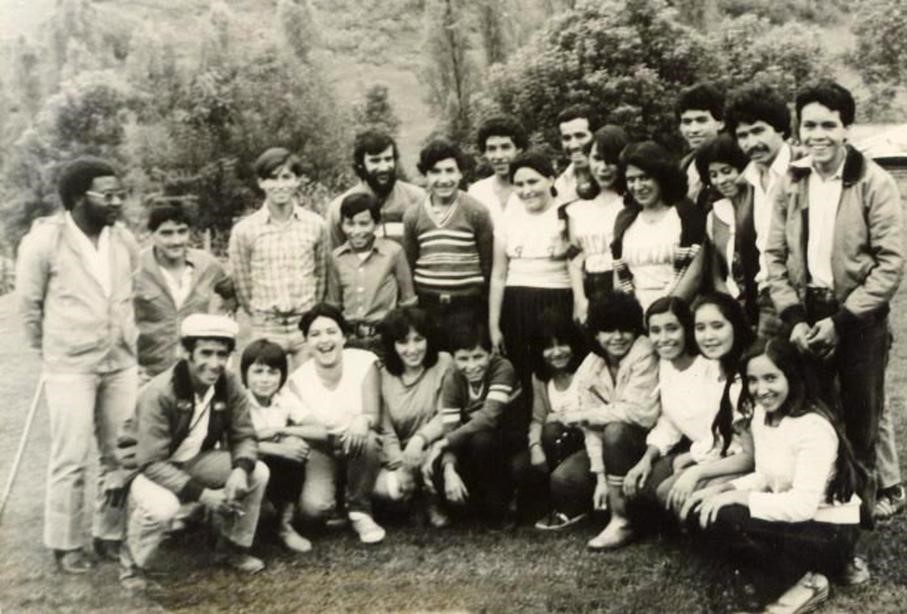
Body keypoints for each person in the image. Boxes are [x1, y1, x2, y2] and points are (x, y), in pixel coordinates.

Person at [764, 80, 904, 518]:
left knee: (862, 417)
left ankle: (858, 516)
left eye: (829, 124)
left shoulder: (873, 181)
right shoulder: (792, 181)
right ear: (798, 130)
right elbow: (773, 255)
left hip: (857, 318)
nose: (818, 135)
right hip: (805, 314)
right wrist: (793, 316)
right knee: (812, 411)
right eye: (809, 125)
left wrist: (840, 321)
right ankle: (822, 502)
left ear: (847, 128)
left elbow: (890, 263)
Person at [16, 156, 139, 573]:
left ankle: (110, 533)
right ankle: (66, 544)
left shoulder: (122, 239)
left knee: (121, 454)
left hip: (120, 360)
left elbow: (132, 291)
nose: (118, 201)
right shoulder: (44, 241)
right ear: (77, 198)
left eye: (121, 194)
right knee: (70, 457)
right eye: (108, 195)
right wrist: (52, 351)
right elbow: (29, 308)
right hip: (69, 365)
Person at [689, 338, 863, 613]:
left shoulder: (812, 427)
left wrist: (737, 497)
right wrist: (720, 490)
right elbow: (766, 476)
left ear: (792, 376)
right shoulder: (762, 414)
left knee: (728, 517)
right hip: (793, 522)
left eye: (771, 378)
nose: (761, 389)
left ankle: (808, 579)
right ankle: (774, 575)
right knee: (706, 508)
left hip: (828, 531)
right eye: (753, 380)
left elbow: (801, 506)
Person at [121, 314, 270, 590]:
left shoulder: (229, 383)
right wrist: (204, 496)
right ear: (186, 352)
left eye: (222, 354)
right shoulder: (160, 392)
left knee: (257, 472)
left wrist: (240, 468)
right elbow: (150, 461)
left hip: (191, 461)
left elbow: (245, 435)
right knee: (164, 508)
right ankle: (132, 566)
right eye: (206, 353)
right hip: (144, 469)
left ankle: (231, 548)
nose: (214, 363)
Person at [553, 291, 660, 549]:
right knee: (564, 479)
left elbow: (640, 413)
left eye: (625, 329)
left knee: (615, 430)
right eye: (608, 330)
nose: (617, 337)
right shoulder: (591, 365)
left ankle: (622, 519)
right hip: (610, 447)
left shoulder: (644, 352)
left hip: (647, 443)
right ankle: (604, 500)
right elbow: (589, 428)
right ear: (596, 334)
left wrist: (585, 416)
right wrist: (599, 475)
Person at [284, 303, 386, 543]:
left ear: (343, 336)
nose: (324, 340)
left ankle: (359, 510)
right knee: (313, 512)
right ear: (307, 342)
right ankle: (336, 500)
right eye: (315, 334)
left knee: (368, 438)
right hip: (322, 448)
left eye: (331, 331)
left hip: (358, 446)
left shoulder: (365, 361)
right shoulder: (298, 380)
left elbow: (374, 414)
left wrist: (362, 420)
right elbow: (312, 431)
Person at [655, 293, 755, 517]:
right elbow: (721, 433)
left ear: (736, 326)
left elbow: (751, 457)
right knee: (664, 492)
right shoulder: (713, 369)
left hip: (757, 467)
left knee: (692, 494)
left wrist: (697, 472)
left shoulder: (744, 377)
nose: (708, 336)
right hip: (728, 456)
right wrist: (693, 457)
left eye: (717, 326)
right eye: (700, 328)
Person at [228, 147, 328, 366]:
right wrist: (260, 313)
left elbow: (321, 274)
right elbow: (243, 285)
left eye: (286, 177)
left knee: (308, 388)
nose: (280, 185)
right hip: (266, 326)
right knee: (267, 388)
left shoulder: (316, 225)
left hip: (305, 324)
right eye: (272, 178)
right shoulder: (245, 230)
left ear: (297, 180)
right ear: (261, 183)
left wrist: (311, 312)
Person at [489, 150, 573, 410]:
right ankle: (531, 436)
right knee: (524, 371)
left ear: (550, 179)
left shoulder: (567, 214)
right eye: (520, 184)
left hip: (557, 300)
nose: (527, 190)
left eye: (533, 182)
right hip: (516, 306)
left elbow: (575, 265)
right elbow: (499, 274)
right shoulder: (507, 220)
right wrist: (494, 324)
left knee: (559, 368)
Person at [419, 320, 522, 527]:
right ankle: (470, 507)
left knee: (482, 441)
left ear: (490, 353)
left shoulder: (503, 367)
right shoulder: (452, 379)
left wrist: (443, 442)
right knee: (440, 465)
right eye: (463, 359)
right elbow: (451, 428)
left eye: (478, 357)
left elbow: (489, 417)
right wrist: (449, 470)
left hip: (509, 440)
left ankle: (499, 507)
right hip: (472, 440)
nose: (472, 366)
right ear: (454, 359)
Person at [402, 138, 493, 342]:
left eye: (450, 170)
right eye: (435, 171)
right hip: (427, 306)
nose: (443, 179)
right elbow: (409, 264)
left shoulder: (476, 212)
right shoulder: (413, 215)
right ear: (425, 175)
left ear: (461, 173)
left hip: (467, 307)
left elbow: (487, 264)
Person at [724, 83, 796, 339]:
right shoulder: (747, 183)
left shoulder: (802, 171)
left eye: (758, 131)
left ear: (780, 128)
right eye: (743, 135)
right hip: (766, 300)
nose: (751, 142)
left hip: (804, 298)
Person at [241, 338, 323, 553]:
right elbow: (233, 443)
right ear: (245, 374)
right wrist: (275, 447)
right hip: (244, 463)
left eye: (273, 372)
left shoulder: (284, 398)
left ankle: (285, 526)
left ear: (282, 376)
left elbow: (319, 430)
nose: (265, 380)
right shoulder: (239, 400)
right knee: (285, 450)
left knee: (296, 447)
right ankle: (256, 518)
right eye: (258, 372)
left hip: (274, 466)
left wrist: (282, 431)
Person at [373, 306, 453, 525]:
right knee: (388, 491)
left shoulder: (444, 363)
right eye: (403, 342)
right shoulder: (381, 374)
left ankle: (431, 499)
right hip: (397, 455)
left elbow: (446, 415)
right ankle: (410, 499)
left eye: (418, 339)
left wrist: (420, 440)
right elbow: (385, 428)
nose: (412, 349)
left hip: (432, 446)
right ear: (392, 345)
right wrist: (402, 466)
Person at [134, 203, 228, 380]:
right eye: (166, 233)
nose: (176, 240)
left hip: (198, 372)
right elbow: (119, 322)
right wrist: (132, 367)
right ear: (152, 234)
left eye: (181, 231)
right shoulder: (135, 269)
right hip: (150, 372)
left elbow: (229, 304)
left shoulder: (209, 266)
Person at [516, 309, 590, 530]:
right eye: (548, 346)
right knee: (522, 464)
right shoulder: (540, 378)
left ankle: (575, 505)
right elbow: (538, 419)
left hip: (587, 444)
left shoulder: (586, 370)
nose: (556, 352)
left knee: (561, 468)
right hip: (557, 444)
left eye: (562, 344)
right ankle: (547, 503)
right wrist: (535, 446)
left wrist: (560, 418)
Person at [612, 141, 705, 312]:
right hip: (634, 314)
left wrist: (664, 316)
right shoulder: (625, 219)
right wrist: (628, 316)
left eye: (644, 177)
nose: (638, 186)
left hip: (677, 310)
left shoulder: (687, 214)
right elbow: (618, 275)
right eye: (631, 179)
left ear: (662, 176)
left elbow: (695, 276)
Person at [327, 192, 416, 356]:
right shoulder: (336, 257)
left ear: (376, 224)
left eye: (364, 224)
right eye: (350, 223)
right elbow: (333, 305)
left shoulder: (394, 253)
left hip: (384, 338)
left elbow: (408, 303)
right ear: (342, 224)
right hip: (349, 340)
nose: (356, 231)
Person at [565, 125, 630, 323]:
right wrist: (580, 299)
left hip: (623, 285)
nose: (603, 168)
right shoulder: (578, 208)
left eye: (611, 161)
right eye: (597, 159)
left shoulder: (629, 204)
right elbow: (574, 257)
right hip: (590, 288)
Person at [693, 135, 758, 324]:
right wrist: (731, 305)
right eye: (714, 175)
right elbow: (716, 274)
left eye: (726, 171)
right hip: (731, 303)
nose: (721, 180)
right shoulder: (714, 215)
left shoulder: (761, 204)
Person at [326, 129, 426, 248]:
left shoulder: (418, 200)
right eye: (375, 161)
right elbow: (335, 258)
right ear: (361, 165)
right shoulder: (338, 209)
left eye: (388, 159)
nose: (383, 167)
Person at [467, 115, 528, 224]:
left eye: (505, 147)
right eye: (491, 149)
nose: (498, 156)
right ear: (485, 153)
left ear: (519, 149)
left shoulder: (534, 189)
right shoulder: (477, 192)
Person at [675, 83, 725, 206]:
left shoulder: (736, 163)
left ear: (721, 123)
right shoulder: (681, 168)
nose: (694, 129)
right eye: (687, 122)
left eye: (701, 120)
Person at [553, 103, 600, 205]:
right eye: (566, 138)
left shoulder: (616, 178)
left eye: (580, 136)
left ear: (596, 136)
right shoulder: (560, 185)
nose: (573, 145)